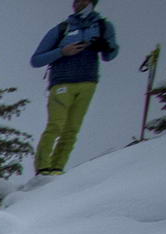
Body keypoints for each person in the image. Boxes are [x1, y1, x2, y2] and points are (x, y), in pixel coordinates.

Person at [30, 0, 119, 175]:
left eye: (82, 0)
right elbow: (36, 60)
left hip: (88, 82)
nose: (77, 4)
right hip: (62, 82)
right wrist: (63, 51)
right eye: (75, 1)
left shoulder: (103, 26)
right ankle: (42, 169)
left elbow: (110, 55)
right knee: (56, 126)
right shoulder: (62, 28)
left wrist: (105, 46)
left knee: (72, 129)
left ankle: (57, 169)